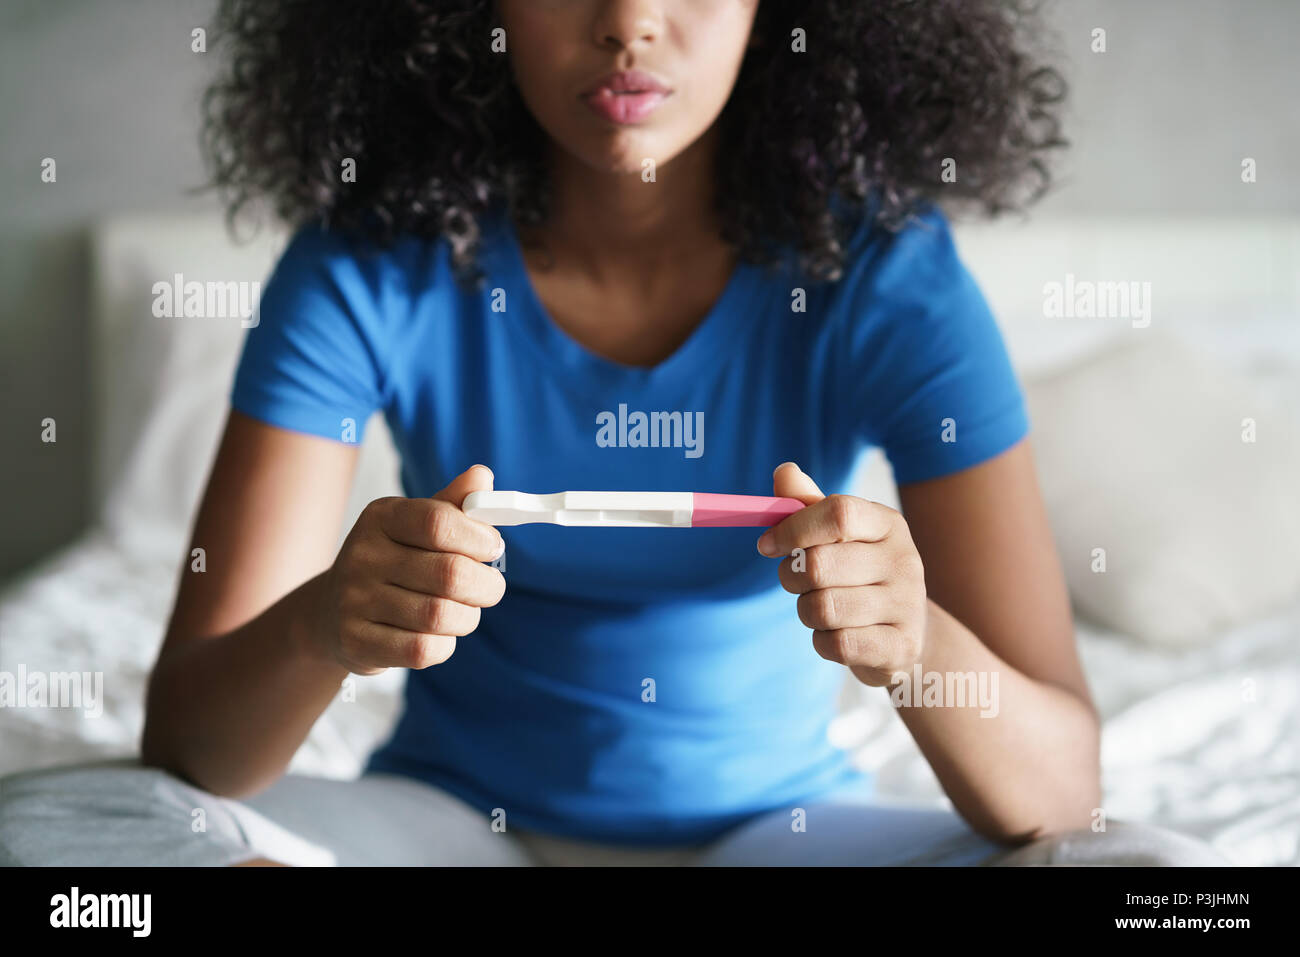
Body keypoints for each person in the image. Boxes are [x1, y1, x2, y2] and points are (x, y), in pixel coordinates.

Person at [0, 0, 1228, 866]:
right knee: (67, 854)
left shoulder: (886, 277)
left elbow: (1062, 792)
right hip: (446, 830)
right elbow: (192, 752)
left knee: (1169, 892)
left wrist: (913, 641)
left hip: (778, 838)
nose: (630, 20)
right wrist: (327, 620)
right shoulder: (367, 262)